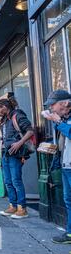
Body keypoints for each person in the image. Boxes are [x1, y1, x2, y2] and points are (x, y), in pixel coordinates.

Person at [0, 96, 34, 219]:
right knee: (8, 181)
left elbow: (30, 131)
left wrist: (19, 143)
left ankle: (22, 209)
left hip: (16, 154)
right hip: (6, 153)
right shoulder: (4, 120)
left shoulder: (17, 115)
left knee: (16, 180)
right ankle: (13, 206)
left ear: (5, 107)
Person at [42, 90, 71, 244]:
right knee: (68, 200)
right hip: (66, 165)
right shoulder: (63, 119)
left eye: (53, 105)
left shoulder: (63, 120)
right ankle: (69, 233)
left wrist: (58, 122)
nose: (52, 108)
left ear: (65, 103)